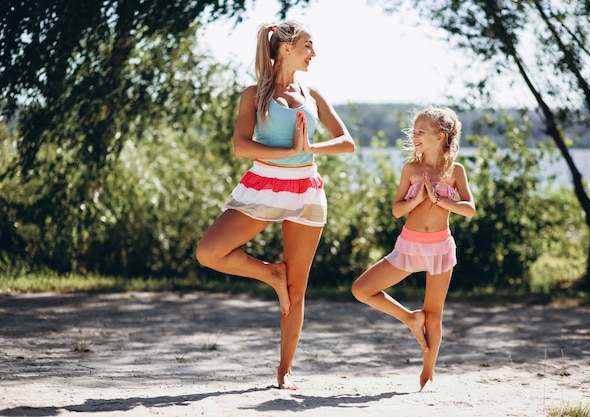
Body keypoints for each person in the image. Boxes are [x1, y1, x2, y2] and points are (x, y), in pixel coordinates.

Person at [195, 20, 355, 390]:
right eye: (307, 46)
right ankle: (271, 274)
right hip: (263, 186)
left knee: (297, 289)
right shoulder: (254, 94)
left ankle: (285, 372)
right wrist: (289, 152)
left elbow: (346, 142)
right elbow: (241, 145)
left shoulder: (313, 94)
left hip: (307, 192)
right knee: (209, 251)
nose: (314, 53)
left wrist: (310, 150)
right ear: (285, 48)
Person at [351, 106, 475, 392]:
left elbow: (469, 209)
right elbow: (397, 210)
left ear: (440, 136)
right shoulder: (411, 168)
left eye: (421, 131)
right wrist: (418, 197)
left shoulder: (455, 170)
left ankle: (427, 375)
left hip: (441, 248)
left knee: (435, 314)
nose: (414, 135)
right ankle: (410, 318)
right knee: (361, 289)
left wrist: (441, 200)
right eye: (414, 131)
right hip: (409, 245)